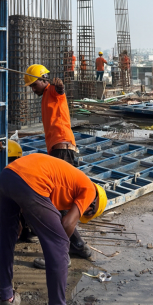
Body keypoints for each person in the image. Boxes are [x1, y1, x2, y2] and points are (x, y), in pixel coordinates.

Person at [0, 146, 107, 305]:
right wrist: (59, 256)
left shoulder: (69, 181)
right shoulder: (89, 189)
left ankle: (7, 298)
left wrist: (20, 218)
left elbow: (32, 201)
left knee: (7, 239)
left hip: (8, 176)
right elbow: (67, 224)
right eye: (88, 212)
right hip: (31, 181)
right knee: (60, 243)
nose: (83, 211)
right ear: (93, 205)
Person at [24, 64, 92, 264]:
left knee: (59, 203)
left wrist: (59, 85)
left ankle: (60, 253)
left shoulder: (53, 92)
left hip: (62, 148)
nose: (32, 88)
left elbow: (60, 90)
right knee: (59, 203)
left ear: (44, 80)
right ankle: (78, 246)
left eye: (33, 84)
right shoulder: (45, 96)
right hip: (58, 149)